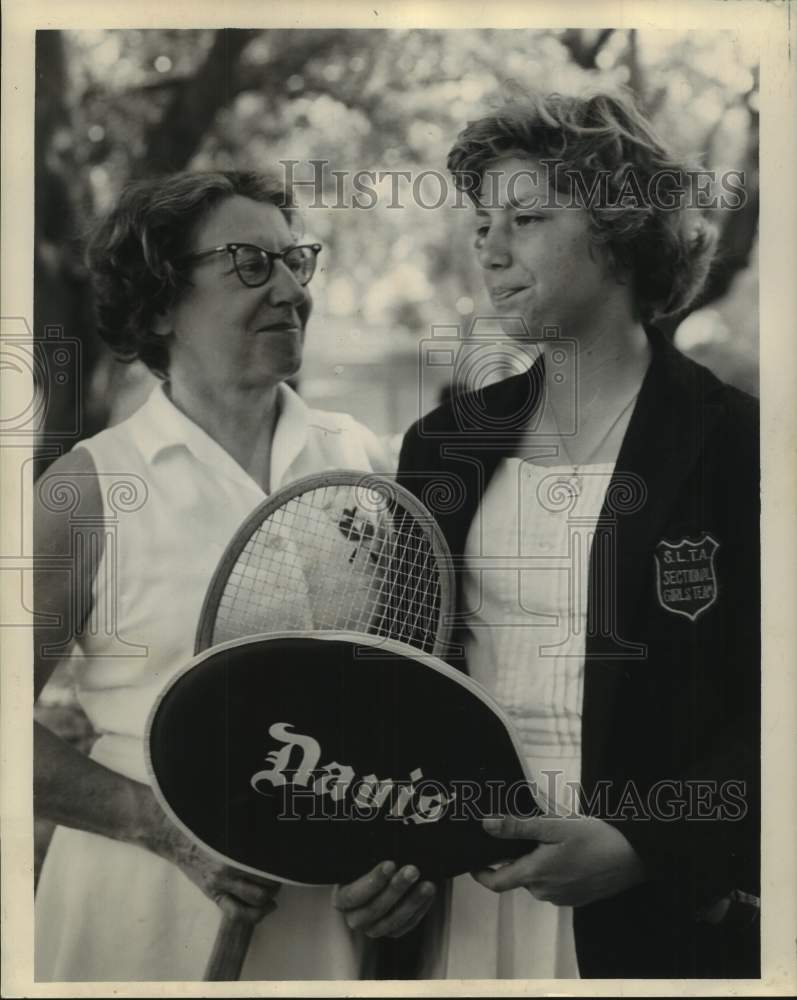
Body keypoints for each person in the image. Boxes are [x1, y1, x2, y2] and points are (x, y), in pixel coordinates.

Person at [33, 170, 437, 982]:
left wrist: (402, 858)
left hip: (325, 913)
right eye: (251, 262)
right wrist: (164, 829)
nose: (291, 288)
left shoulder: (363, 461)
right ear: (156, 305)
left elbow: (407, 705)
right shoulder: (89, 488)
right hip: (137, 913)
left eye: (296, 261)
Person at [396, 91, 760, 978]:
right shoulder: (442, 444)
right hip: (463, 891)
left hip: (651, 910)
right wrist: (376, 856)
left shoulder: (737, 445)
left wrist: (650, 846)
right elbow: (398, 678)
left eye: (525, 217)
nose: (489, 249)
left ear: (619, 232)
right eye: (483, 221)